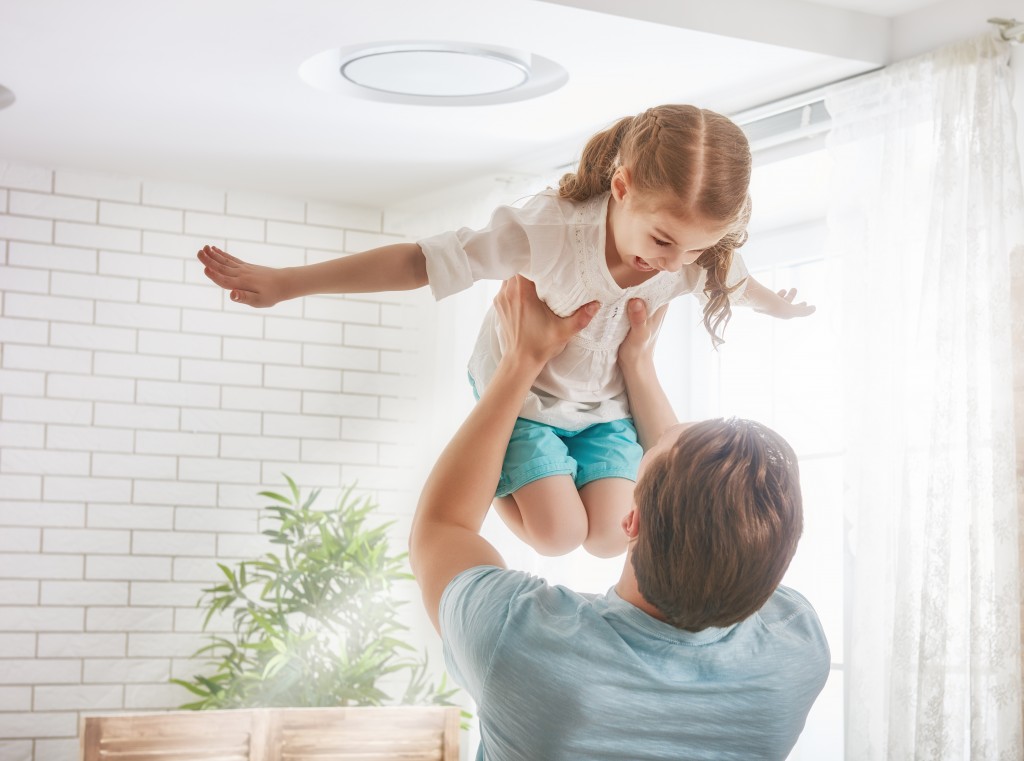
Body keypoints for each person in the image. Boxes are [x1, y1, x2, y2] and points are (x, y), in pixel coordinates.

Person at [197, 104, 815, 559]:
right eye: (662, 240)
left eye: (697, 247)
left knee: (607, 541)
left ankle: (545, 480)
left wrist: (776, 308)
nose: (676, 263)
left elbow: (739, 284)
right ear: (622, 188)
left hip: (604, 409)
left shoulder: (699, 261)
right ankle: (492, 467)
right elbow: (425, 261)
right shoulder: (550, 230)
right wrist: (288, 282)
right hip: (526, 400)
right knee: (557, 536)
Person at [409, 275, 830, 761]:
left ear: (631, 521)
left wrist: (517, 365)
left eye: (646, 459)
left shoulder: (520, 640)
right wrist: (638, 363)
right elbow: (710, 518)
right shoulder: (795, 646)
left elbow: (442, 528)